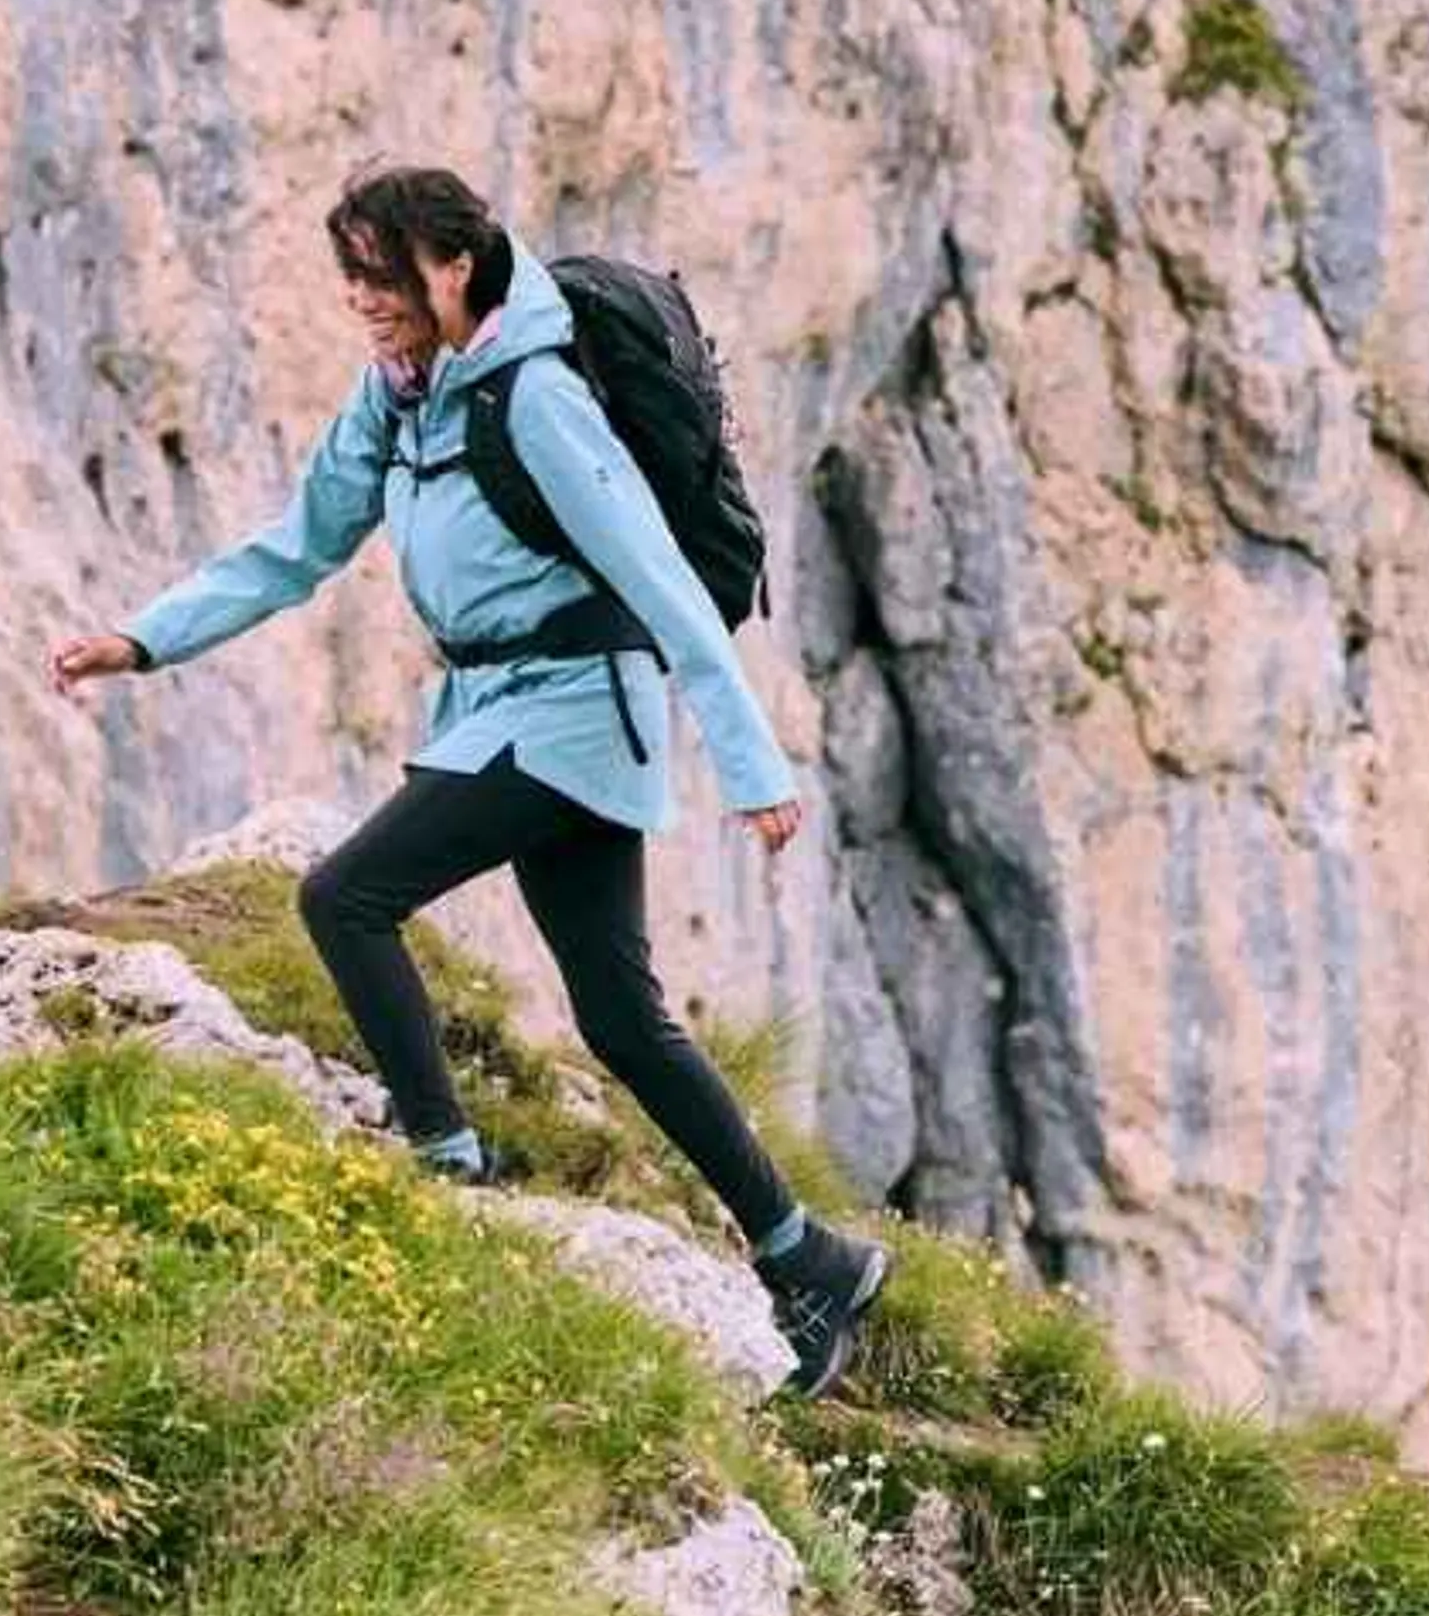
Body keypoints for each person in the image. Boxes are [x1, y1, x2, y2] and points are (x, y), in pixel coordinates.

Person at [50, 164, 888, 1399]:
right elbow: (298, 547)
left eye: (380, 276)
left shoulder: (536, 397)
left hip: (572, 716)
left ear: (452, 267)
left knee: (346, 897)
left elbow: (659, 583)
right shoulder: (399, 398)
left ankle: (445, 1164)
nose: (362, 302)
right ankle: (807, 1255)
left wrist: (752, 765)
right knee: (621, 1019)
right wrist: (144, 639)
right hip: (496, 711)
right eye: (348, 278)